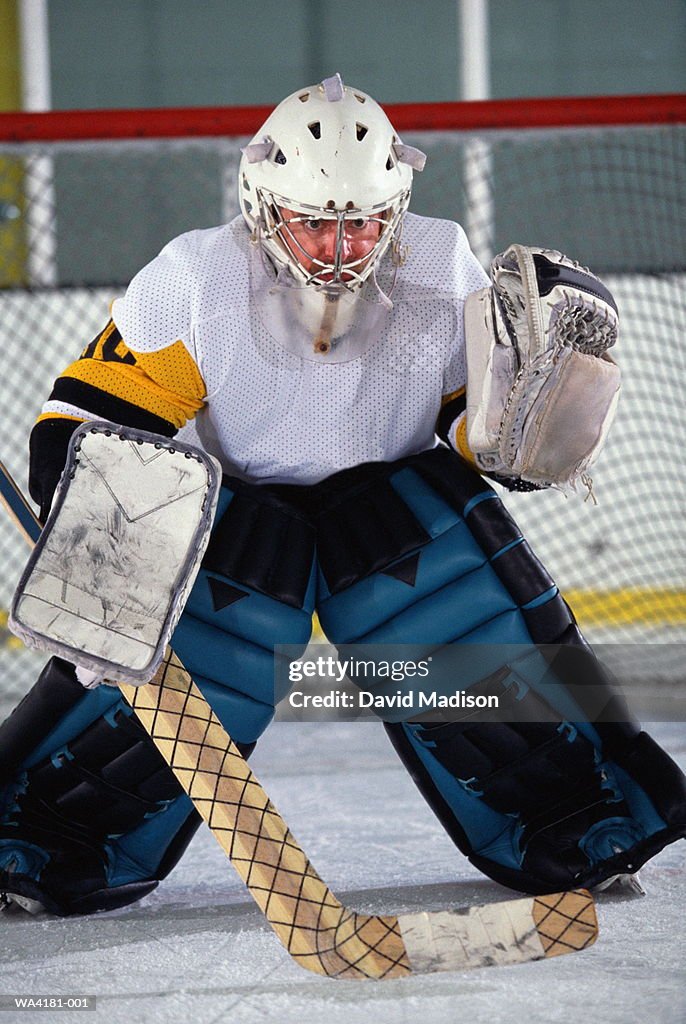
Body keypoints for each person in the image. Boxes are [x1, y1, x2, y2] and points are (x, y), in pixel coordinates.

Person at [1, 74, 684, 917]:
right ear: (262, 204)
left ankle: (582, 816)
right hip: (234, 527)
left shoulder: (441, 268)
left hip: (394, 518)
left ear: (393, 207)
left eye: (358, 221)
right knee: (182, 667)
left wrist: (523, 425)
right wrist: (106, 542)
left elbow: (469, 428)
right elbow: (84, 419)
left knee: (479, 631)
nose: (337, 247)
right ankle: (31, 836)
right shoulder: (194, 280)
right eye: (313, 222)